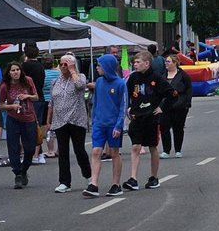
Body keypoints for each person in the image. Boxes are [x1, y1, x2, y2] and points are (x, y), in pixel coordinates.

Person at [124, 51, 176, 192]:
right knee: (135, 146)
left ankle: (154, 177)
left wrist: (161, 107)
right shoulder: (133, 77)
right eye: (134, 62)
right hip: (136, 117)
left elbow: (172, 93)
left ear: (147, 63)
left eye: (138, 62)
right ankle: (133, 179)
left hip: (151, 118)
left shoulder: (156, 78)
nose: (135, 64)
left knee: (152, 147)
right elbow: (128, 95)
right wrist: (129, 108)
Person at [84, 54, 127, 197]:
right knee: (96, 151)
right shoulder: (99, 82)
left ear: (108, 66)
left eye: (99, 65)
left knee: (114, 153)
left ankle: (116, 184)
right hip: (99, 124)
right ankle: (93, 184)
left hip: (113, 124)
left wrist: (119, 126)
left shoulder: (120, 84)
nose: (97, 67)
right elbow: (95, 103)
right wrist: (94, 120)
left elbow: (123, 105)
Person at [49, 54, 91, 193]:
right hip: (60, 120)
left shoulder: (80, 77)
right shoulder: (55, 81)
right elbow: (52, 102)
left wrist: (73, 71)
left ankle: (88, 175)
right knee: (63, 152)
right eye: (61, 64)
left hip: (76, 119)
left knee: (79, 150)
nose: (63, 67)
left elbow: (80, 86)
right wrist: (48, 121)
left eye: (66, 64)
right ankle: (64, 182)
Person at [0, 62, 40, 189]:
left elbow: (36, 97)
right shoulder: (5, 86)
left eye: (17, 70)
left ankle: (24, 169)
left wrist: (27, 96)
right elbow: (1, 105)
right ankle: (17, 173)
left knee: (30, 148)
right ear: (9, 73)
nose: (16, 72)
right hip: (13, 119)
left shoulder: (28, 81)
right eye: (13, 70)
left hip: (29, 118)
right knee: (13, 147)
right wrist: (12, 106)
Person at [160, 55, 192, 159]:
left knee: (178, 128)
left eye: (169, 62)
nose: (166, 63)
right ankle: (166, 150)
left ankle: (178, 149)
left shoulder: (183, 75)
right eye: (166, 62)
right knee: (164, 128)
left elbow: (188, 90)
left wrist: (187, 103)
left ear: (175, 63)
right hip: (165, 106)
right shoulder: (162, 76)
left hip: (179, 105)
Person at [21, 45, 47, 165]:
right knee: (38, 125)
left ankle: (33, 154)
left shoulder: (24, 67)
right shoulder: (40, 66)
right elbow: (42, 83)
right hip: (40, 97)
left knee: (28, 127)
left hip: (28, 98)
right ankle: (39, 153)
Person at [40, 54, 59, 160]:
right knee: (59, 126)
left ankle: (50, 150)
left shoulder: (42, 74)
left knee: (48, 126)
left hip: (45, 100)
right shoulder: (58, 73)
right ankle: (59, 149)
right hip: (57, 101)